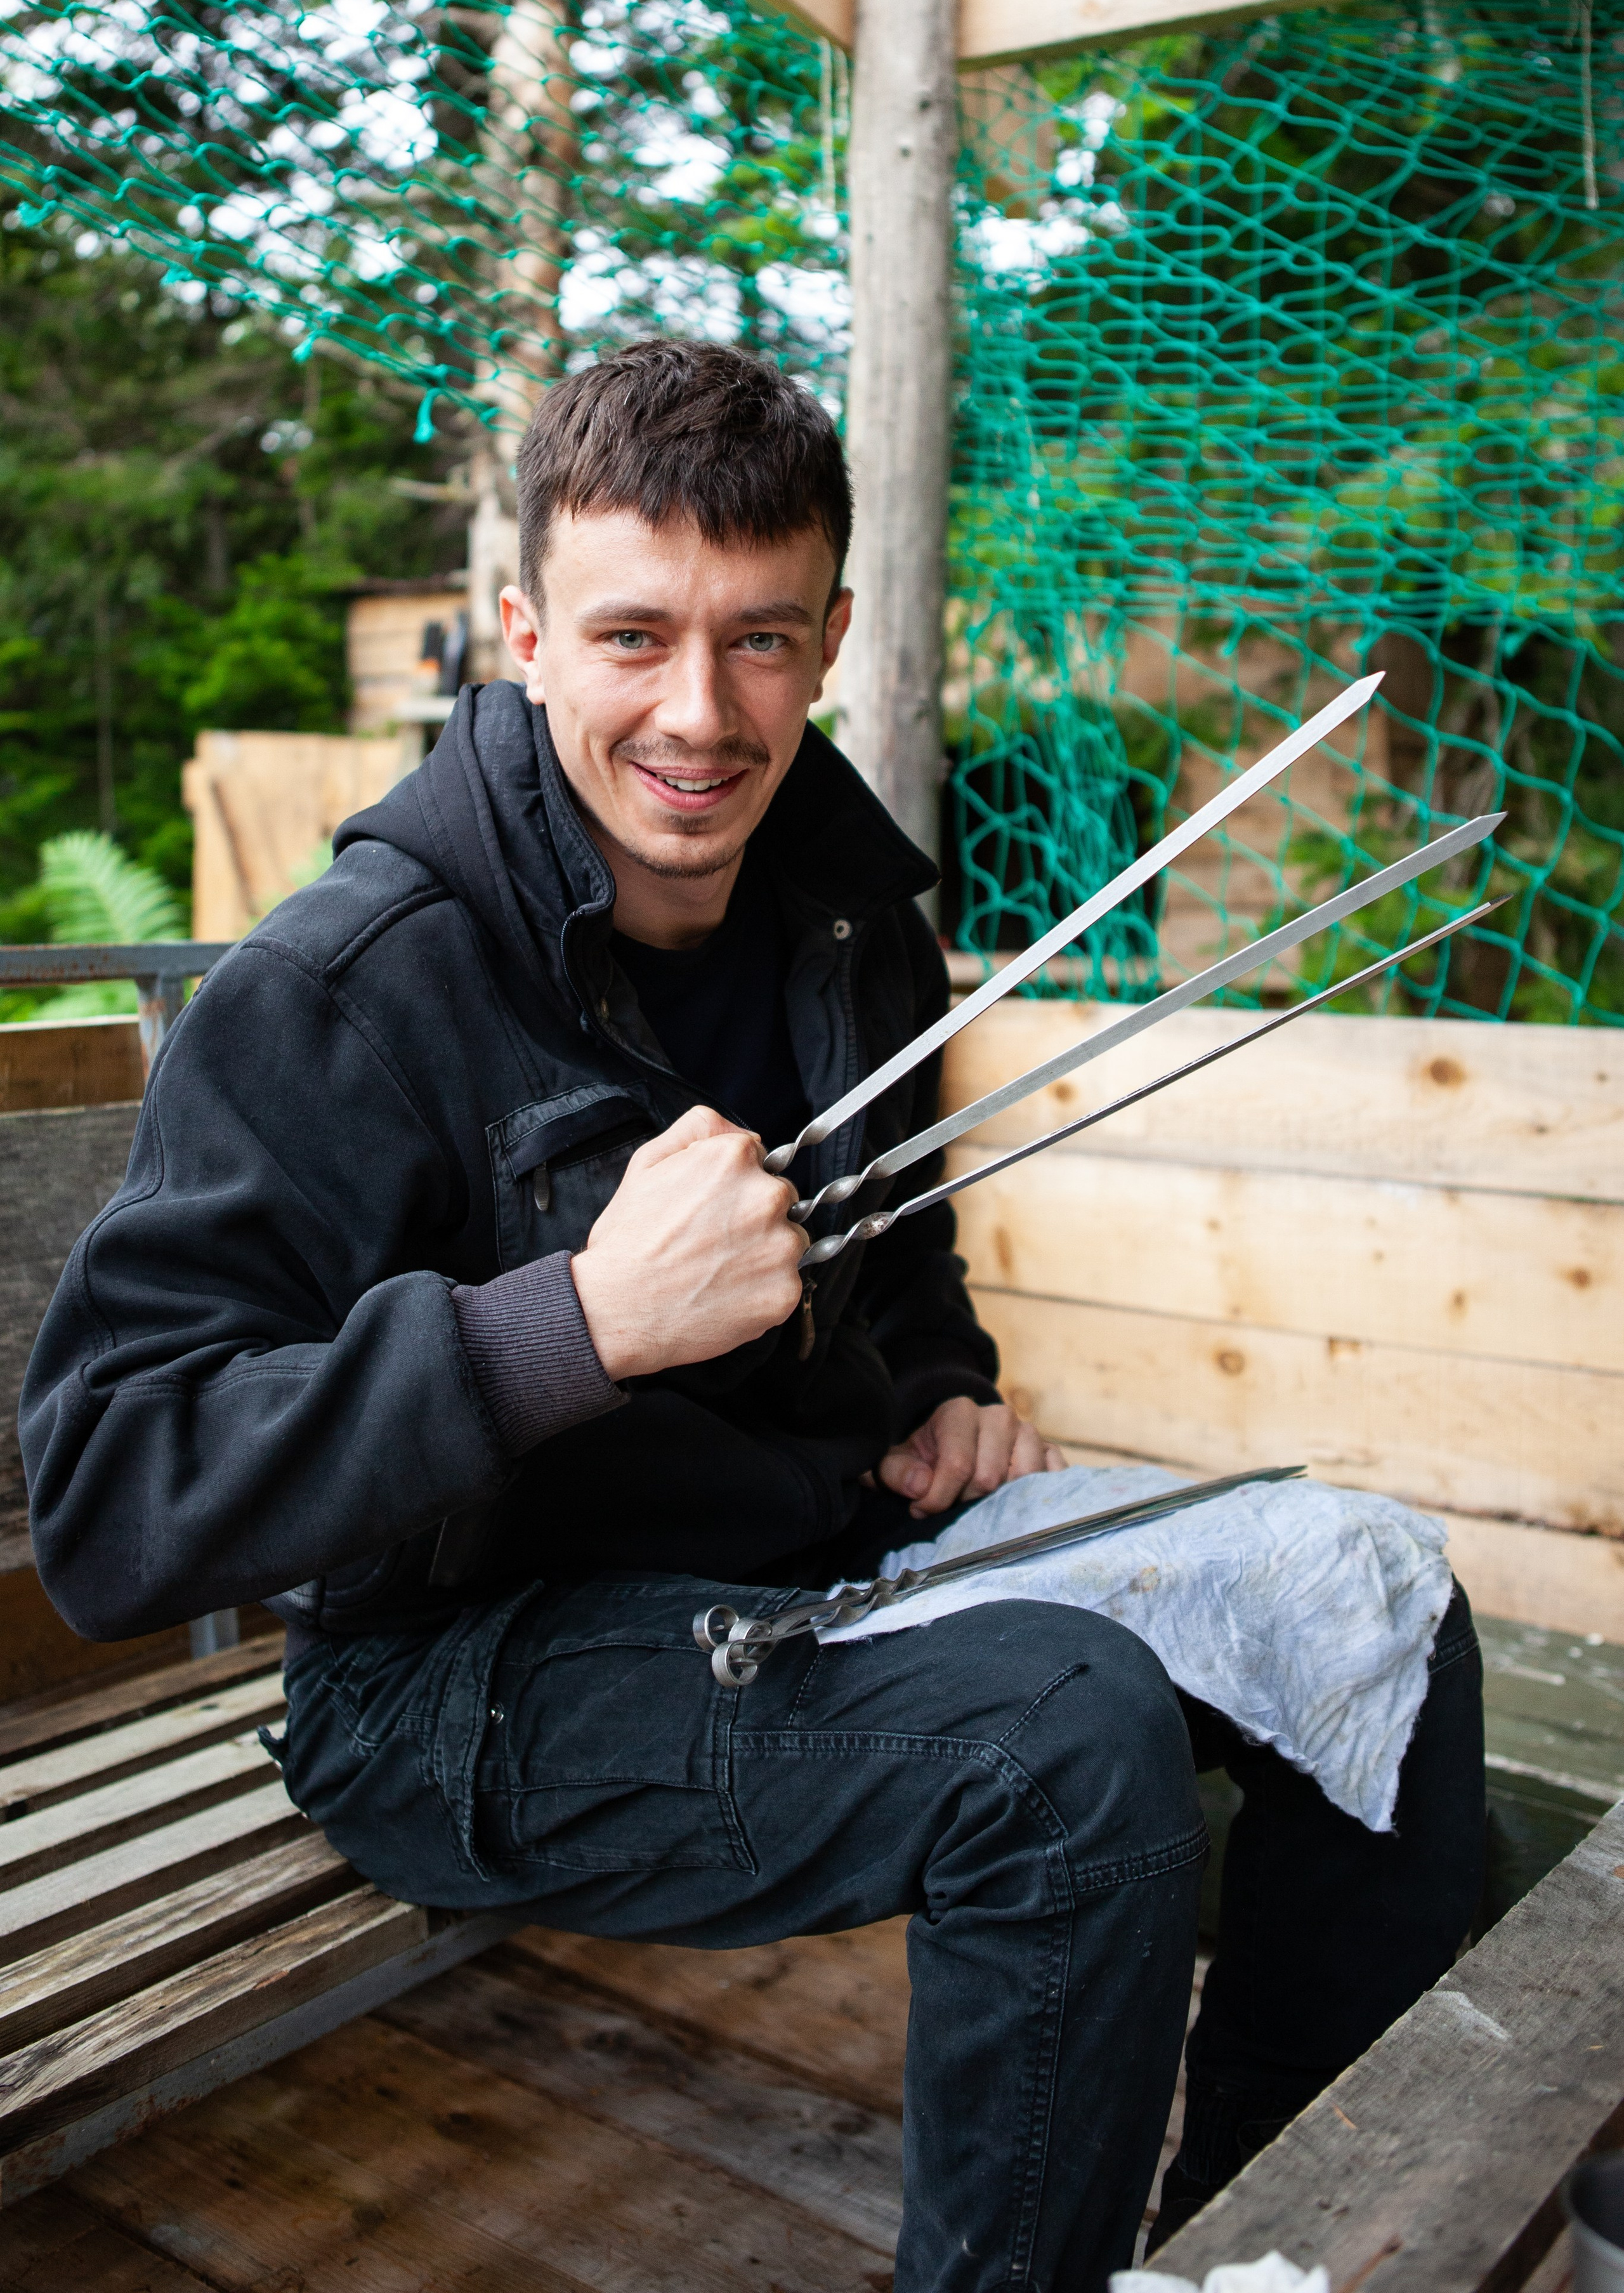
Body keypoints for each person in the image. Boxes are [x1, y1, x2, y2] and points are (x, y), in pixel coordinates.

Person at [22, 340, 1484, 2292]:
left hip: (816, 1574)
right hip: (451, 1678)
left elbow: (913, 1269)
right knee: (1062, 1745)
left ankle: (1255, 2241)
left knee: (1376, 1589)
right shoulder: (349, 986)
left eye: (761, 642)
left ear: (833, 635)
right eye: (632, 638)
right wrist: (576, 1324)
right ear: (528, 631)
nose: (698, 715)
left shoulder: (852, 914)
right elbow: (114, 1495)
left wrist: (948, 1401)